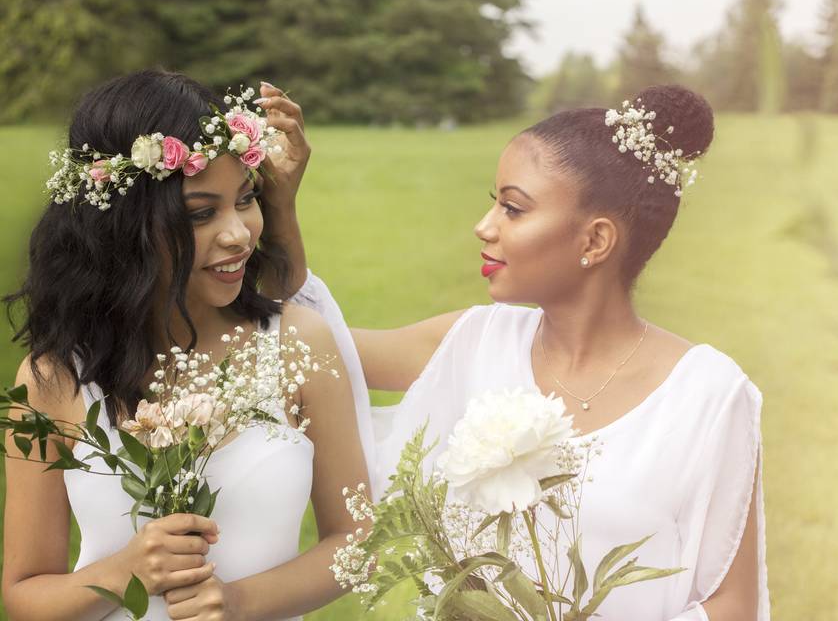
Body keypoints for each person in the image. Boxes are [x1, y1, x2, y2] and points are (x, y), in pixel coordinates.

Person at [263, 84, 769, 620]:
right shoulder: (475, 341)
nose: (484, 228)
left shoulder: (709, 396)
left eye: (513, 208)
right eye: (494, 204)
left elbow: (729, 604)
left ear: (595, 241)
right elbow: (313, 339)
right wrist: (279, 205)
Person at [1, 70, 372, 621]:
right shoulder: (54, 376)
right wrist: (124, 570)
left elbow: (357, 543)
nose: (239, 234)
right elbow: (22, 593)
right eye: (201, 213)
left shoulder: (296, 343)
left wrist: (238, 600)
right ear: (123, 225)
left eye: (246, 199)